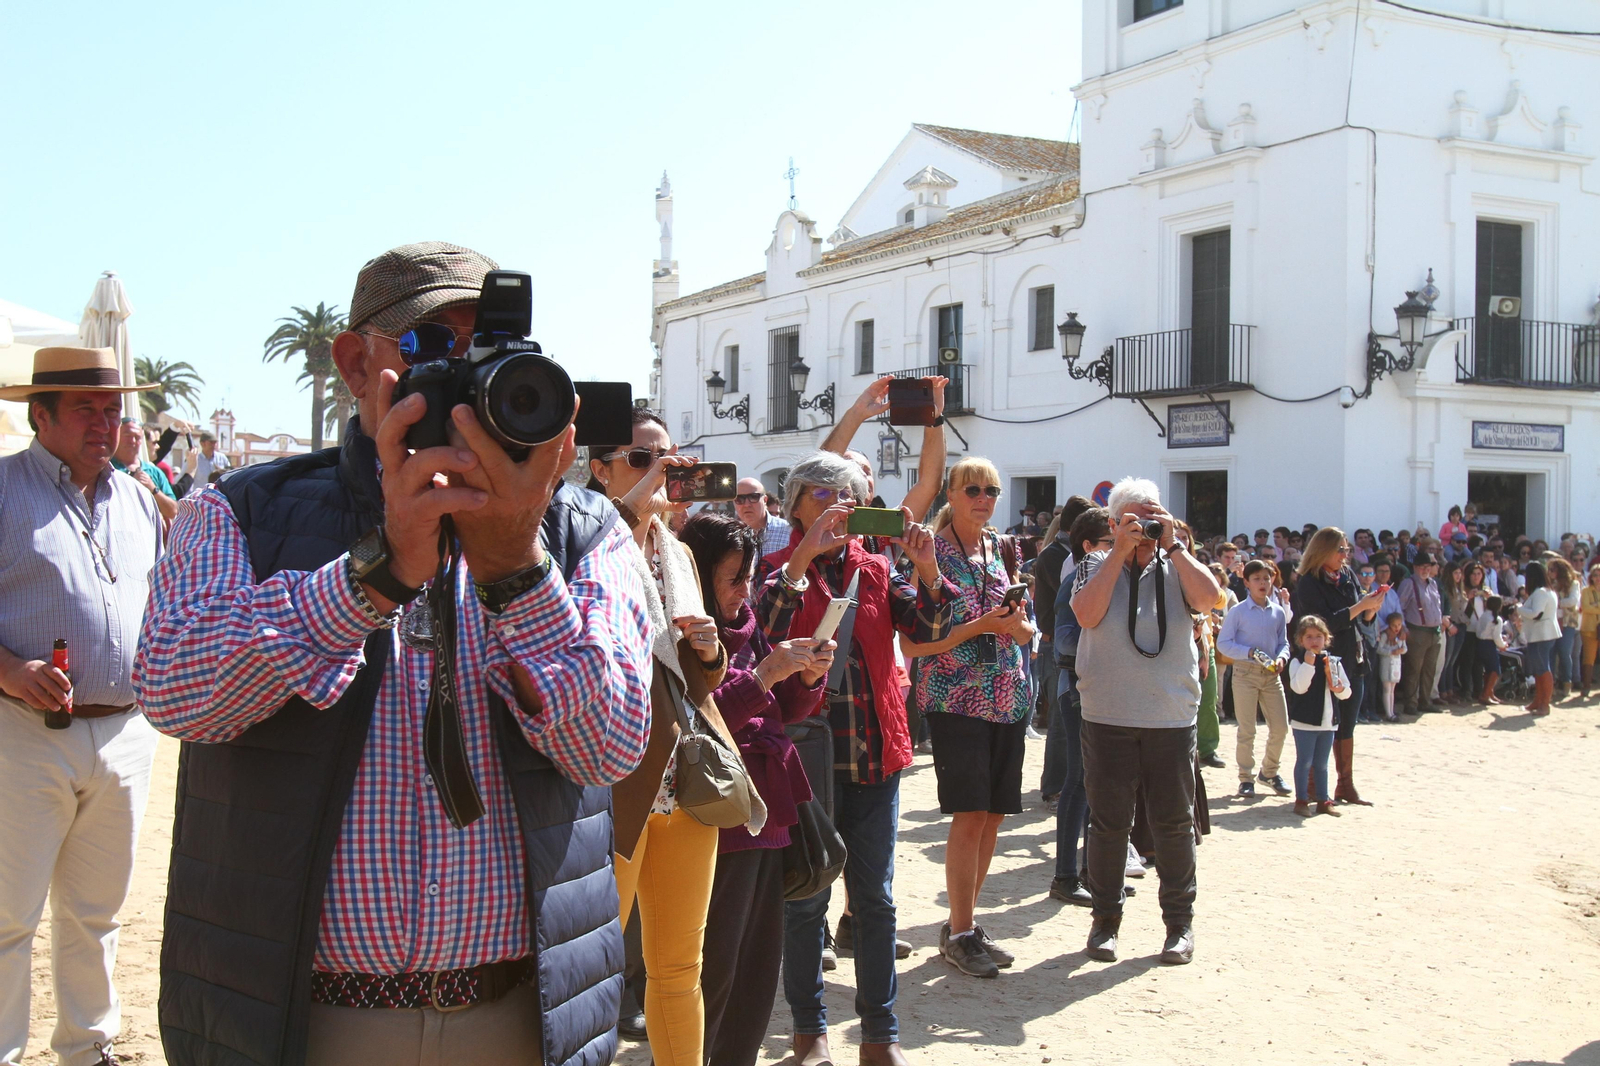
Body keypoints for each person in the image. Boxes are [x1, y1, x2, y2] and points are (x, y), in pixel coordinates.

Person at [134, 243, 655, 1066]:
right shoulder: (242, 511)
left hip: (519, 1019)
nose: (470, 378)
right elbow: (174, 690)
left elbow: (612, 747)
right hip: (303, 1023)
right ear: (353, 364)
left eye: (493, 351)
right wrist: (372, 579)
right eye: (431, 347)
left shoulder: (581, 532)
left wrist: (518, 568)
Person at [758, 451, 953, 1066]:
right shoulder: (775, 570)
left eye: (846, 497)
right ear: (793, 507)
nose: (836, 507)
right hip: (803, 760)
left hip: (874, 755)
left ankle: (879, 1036)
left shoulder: (876, 567)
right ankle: (809, 1033)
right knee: (806, 898)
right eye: (820, 496)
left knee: (875, 901)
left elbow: (927, 628)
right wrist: (802, 558)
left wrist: (928, 569)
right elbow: (764, 628)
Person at [0, 347, 163, 1066]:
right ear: (41, 416)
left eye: (112, 409)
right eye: (85, 410)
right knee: (8, 916)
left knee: (97, 912)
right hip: (22, 731)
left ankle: (88, 1048)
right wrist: (11, 670)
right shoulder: (4, 490)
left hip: (126, 732)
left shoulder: (136, 500)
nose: (105, 423)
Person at [591, 408, 764, 1066]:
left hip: (686, 783)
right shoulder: (583, 542)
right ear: (600, 470)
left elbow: (698, 680)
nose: (662, 471)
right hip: (613, 785)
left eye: (672, 459)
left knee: (679, 968)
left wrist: (711, 650)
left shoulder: (680, 552)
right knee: (591, 968)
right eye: (643, 459)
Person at [678, 513, 832, 1066]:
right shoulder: (682, 632)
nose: (745, 590)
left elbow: (780, 712)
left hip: (767, 810)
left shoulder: (746, 626)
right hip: (717, 814)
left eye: (747, 576)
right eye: (733, 578)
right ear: (699, 576)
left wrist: (805, 677)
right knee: (714, 965)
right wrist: (765, 674)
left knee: (758, 966)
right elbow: (694, 723)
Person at [1071, 477, 1219, 967]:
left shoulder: (1178, 564)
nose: (1146, 528)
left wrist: (1174, 546)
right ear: (1114, 523)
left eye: (1154, 517)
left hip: (1170, 717)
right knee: (1109, 825)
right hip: (1107, 714)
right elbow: (1086, 614)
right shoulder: (1094, 563)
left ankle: (1179, 925)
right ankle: (1105, 922)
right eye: (1136, 519)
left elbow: (1209, 599)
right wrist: (1119, 551)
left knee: (1174, 825)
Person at [901, 460, 1034, 979]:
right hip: (955, 697)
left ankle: (965, 925)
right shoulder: (929, 554)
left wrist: (1017, 627)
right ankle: (959, 933)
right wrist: (981, 626)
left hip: (1007, 694)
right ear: (950, 495)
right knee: (970, 812)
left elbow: (1025, 629)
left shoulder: (1002, 548)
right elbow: (914, 643)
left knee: (995, 814)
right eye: (973, 489)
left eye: (991, 490)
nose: (984, 498)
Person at [1048, 508, 1113, 907]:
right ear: (1088, 547)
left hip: (1106, 694)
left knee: (1100, 783)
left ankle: (1094, 871)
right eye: (1109, 543)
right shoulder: (1075, 581)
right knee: (1078, 780)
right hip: (1077, 692)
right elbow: (1063, 643)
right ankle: (1065, 876)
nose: (1118, 549)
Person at [1291, 528, 1385, 805]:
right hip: (1323, 661)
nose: (1345, 555)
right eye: (1340, 550)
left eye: (1347, 549)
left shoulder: (1348, 575)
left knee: (1348, 723)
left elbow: (1359, 618)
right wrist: (1360, 607)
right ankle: (1312, 787)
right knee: (1320, 722)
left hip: (1353, 656)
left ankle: (1345, 785)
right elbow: (1322, 624)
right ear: (1323, 550)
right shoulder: (1308, 582)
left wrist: (1370, 610)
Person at [1218, 560, 1291, 798]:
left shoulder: (1278, 611)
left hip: (1271, 675)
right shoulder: (1238, 611)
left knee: (1280, 727)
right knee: (1247, 729)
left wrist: (1282, 658)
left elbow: (1283, 643)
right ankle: (1246, 778)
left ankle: (1269, 772)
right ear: (1246, 582)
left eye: (1267, 578)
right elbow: (1224, 643)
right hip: (1245, 674)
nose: (1263, 583)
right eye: (1257, 578)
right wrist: (1248, 652)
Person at [1286, 616, 1352, 818]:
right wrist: (1308, 665)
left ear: (1326, 638)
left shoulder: (1333, 662)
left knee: (1322, 764)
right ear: (1301, 640)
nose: (1314, 641)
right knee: (1304, 762)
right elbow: (1298, 687)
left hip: (1328, 722)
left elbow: (1346, 691)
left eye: (1318, 636)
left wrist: (1339, 688)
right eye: (1309, 636)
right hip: (1304, 722)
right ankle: (1301, 800)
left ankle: (1323, 801)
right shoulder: (1297, 661)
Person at [1396, 551, 1453, 716]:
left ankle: (1425, 701)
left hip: (1435, 631)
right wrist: (1403, 628)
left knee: (1430, 669)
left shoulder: (1433, 583)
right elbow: (1400, 608)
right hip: (1417, 631)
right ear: (1415, 567)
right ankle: (1411, 703)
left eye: (1428, 566)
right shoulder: (1408, 584)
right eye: (1422, 567)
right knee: (1414, 669)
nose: (1425, 570)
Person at [111, 416, 179, 525]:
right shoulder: (106, 468)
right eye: (127, 436)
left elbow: (173, 511)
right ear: (117, 436)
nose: (132, 441)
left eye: (137, 437)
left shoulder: (154, 472)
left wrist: (153, 489)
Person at [1517, 561, 1560, 717]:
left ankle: (1545, 704)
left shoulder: (1541, 592)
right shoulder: (1546, 591)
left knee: (1542, 668)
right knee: (1538, 668)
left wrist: (1519, 608)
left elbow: (1536, 613)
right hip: (1539, 634)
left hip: (1543, 634)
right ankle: (1538, 700)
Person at [1548, 557, 1581, 702]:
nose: (1550, 572)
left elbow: (1573, 601)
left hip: (1567, 622)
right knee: (1551, 653)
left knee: (1564, 651)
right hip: (1552, 621)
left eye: (1552, 570)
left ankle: (1567, 682)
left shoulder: (1573, 583)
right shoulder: (1549, 584)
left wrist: (1557, 602)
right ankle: (1551, 685)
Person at [733, 476, 792, 557]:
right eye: (740, 499)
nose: (747, 504)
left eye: (753, 497)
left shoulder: (788, 531)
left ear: (765, 500)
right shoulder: (728, 535)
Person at [1471, 596, 1505, 704]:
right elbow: (1497, 637)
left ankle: (1489, 692)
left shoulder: (1483, 616)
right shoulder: (1497, 619)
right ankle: (1486, 694)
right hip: (1489, 645)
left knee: (1488, 670)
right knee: (1495, 670)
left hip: (1479, 643)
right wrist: (1503, 645)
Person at [1375, 613, 1408, 720]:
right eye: (1394, 625)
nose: (1397, 628)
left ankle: (1392, 712)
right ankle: (1388, 713)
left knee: (1392, 690)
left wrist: (1401, 651)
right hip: (1386, 664)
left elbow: (1405, 648)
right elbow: (1379, 649)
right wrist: (1391, 652)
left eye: (1399, 625)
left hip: (1396, 665)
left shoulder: (1401, 636)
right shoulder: (1385, 635)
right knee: (1387, 689)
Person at [1580, 562, 1600, 699]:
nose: (1598, 578)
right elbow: (1586, 608)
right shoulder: (1586, 591)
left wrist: (1596, 605)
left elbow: (1590, 607)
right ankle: (1586, 686)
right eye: (1596, 575)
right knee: (1589, 658)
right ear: (1591, 577)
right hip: (1589, 629)